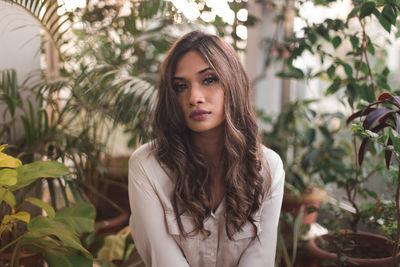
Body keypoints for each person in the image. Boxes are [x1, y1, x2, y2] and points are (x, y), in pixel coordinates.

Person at [128, 30, 285, 267]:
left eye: (209, 79)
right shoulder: (147, 166)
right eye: (181, 86)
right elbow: (165, 261)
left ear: (233, 83)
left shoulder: (268, 168)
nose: (194, 97)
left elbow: (259, 261)